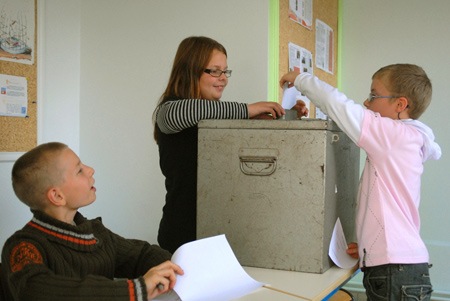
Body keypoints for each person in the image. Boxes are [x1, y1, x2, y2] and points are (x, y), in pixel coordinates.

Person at [280, 64, 441, 300]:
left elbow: (339, 105)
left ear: (400, 105)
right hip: (402, 268)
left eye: (374, 95)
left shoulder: (394, 136)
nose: (367, 103)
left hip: (394, 272)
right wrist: (368, 247)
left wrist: (301, 79)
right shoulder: (407, 140)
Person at [153, 36, 306, 253]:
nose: (223, 78)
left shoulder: (218, 119)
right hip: (182, 237)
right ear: (190, 70)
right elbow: (188, 111)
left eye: (225, 71)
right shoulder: (170, 111)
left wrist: (286, 117)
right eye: (215, 71)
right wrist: (250, 109)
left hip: (216, 234)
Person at [1, 142, 184, 301]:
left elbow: (141, 255)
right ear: (57, 196)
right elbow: (35, 291)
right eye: (79, 170)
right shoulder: (22, 245)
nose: (90, 170)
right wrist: (136, 290)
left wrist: (178, 269)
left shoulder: (95, 233)